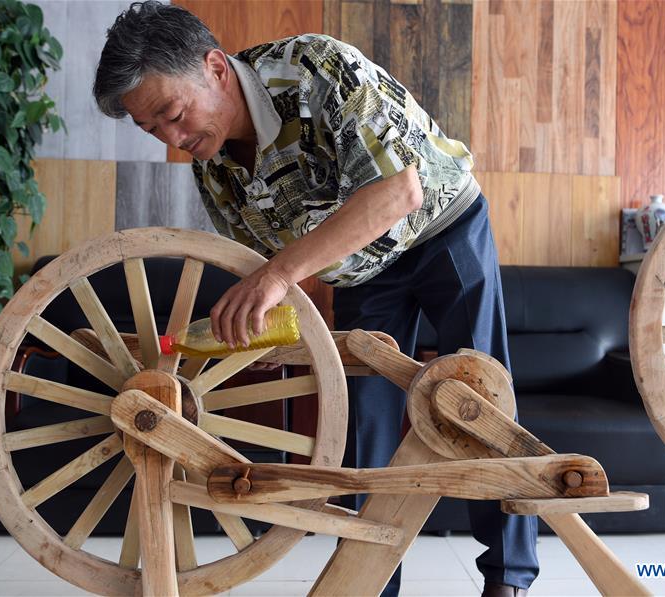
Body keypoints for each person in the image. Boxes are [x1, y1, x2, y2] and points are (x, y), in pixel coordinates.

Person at [93, 2, 538, 595]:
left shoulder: (317, 69)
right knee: (366, 426)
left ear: (215, 68)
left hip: (441, 230)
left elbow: (398, 192)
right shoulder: (214, 167)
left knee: (480, 398)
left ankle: (508, 577)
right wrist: (272, 329)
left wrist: (278, 277)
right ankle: (372, 583)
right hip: (359, 274)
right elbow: (267, 271)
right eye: (153, 130)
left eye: (173, 115)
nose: (174, 140)